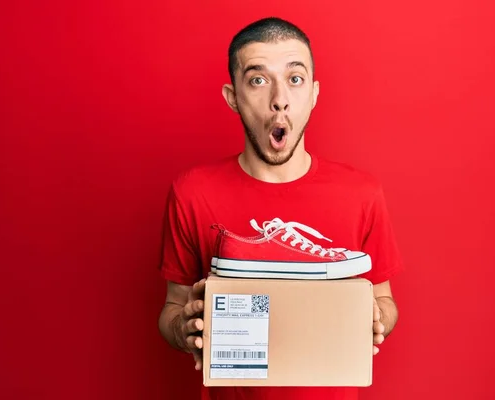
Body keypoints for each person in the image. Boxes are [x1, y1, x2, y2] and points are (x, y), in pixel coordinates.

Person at [157, 16, 403, 400]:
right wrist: (184, 328)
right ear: (232, 96)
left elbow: (385, 301)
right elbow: (173, 307)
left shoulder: (362, 192)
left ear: (314, 93)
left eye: (295, 78)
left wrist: (376, 319)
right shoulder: (192, 192)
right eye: (258, 79)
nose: (279, 98)